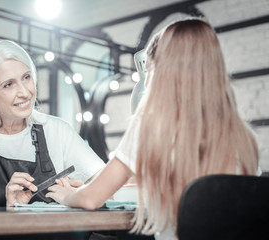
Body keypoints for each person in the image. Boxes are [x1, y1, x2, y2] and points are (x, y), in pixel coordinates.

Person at [46, 18, 259, 239]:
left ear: (161, 71)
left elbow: (91, 199)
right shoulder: (244, 138)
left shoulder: (151, 126)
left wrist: (68, 195)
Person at [0, 40, 105, 212]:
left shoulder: (58, 131)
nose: (25, 92)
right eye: (8, 84)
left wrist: (78, 196)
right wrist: (9, 212)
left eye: (26, 77)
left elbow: (109, 193)